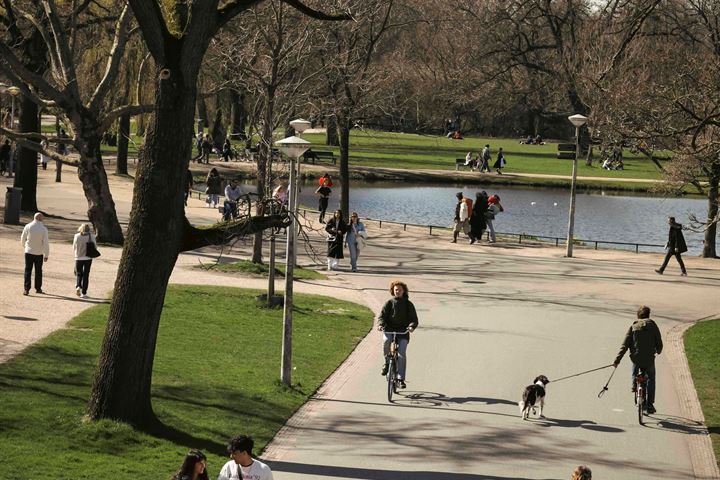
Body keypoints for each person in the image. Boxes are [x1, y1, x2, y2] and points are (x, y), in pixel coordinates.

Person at [612, 305, 663, 415]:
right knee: (651, 378)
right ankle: (650, 404)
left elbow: (624, 345)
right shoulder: (653, 325)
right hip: (649, 358)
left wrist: (617, 360)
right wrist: (658, 350)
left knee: (635, 365)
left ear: (638, 315)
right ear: (648, 315)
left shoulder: (633, 326)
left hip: (636, 357)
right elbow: (659, 341)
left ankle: (634, 384)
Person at [378, 280, 419, 389]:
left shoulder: (408, 304)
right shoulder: (389, 303)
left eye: (400, 290)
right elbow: (382, 316)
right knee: (386, 342)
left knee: (401, 354)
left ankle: (400, 379)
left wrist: (411, 327)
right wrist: (381, 325)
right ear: (392, 291)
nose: (398, 292)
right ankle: (387, 363)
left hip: (403, 332)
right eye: (396, 290)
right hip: (389, 330)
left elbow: (414, 319)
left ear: (404, 291)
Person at [20, 212, 49, 295]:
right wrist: (46, 254)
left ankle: (26, 289)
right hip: (39, 253)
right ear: (40, 219)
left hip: (29, 252)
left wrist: (24, 247)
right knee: (38, 271)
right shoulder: (44, 229)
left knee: (28, 270)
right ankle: (38, 288)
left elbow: (23, 238)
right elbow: (46, 243)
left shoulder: (28, 226)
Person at [73, 223, 96, 298]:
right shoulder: (91, 236)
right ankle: (84, 293)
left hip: (78, 257)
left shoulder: (77, 236)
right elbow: (95, 247)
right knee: (86, 275)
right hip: (88, 258)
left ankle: (78, 286)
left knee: (79, 273)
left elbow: (74, 247)